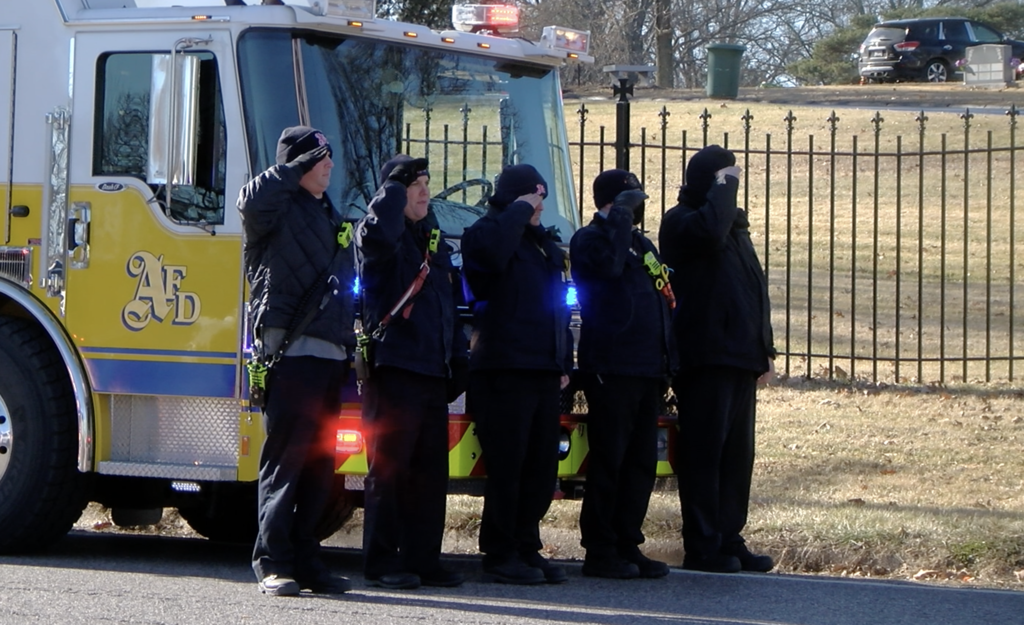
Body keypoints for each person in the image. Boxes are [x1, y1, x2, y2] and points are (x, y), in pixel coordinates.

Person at [239, 126, 355, 596]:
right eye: (319, 159)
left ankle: (307, 560)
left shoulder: (328, 212)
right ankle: (272, 562)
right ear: (298, 165)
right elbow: (250, 202)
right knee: (285, 462)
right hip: (290, 353)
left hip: (330, 355)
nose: (329, 166)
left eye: (329, 157)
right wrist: (292, 166)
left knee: (320, 465)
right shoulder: (276, 208)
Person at [658, 145, 777, 574]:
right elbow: (709, 232)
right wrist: (725, 185)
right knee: (705, 454)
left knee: (736, 456)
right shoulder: (683, 222)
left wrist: (765, 348)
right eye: (726, 179)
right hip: (705, 354)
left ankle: (729, 536)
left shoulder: (734, 229)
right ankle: (704, 543)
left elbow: (753, 288)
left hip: (741, 356)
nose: (733, 187)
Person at [355, 155, 469, 590]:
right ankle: (382, 561)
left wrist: (456, 360)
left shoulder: (430, 242)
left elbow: (447, 308)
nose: (424, 192)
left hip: (431, 370)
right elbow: (377, 235)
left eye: (425, 183)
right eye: (413, 186)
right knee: (388, 471)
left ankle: (424, 559)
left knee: (429, 474)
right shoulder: (382, 237)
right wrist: (392, 188)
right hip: (395, 368)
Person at [461, 164, 573, 585]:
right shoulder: (485, 233)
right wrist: (517, 212)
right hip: (504, 368)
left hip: (543, 367)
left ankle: (527, 545)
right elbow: (489, 260)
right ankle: (500, 551)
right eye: (533, 199)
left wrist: (563, 361)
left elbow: (557, 307)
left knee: (540, 467)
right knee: (508, 466)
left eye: (542, 199)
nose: (540, 207)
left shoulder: (541, 245)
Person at [569, 169, 678, 580]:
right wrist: (618, 218)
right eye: (632, 202)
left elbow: (663, 293)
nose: (639, 209)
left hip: (647, 368)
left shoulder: (640, 244)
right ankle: (600, 548)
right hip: (611, 367)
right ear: (612, 204)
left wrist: (669, 361)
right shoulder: (590, 240)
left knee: (640, 463)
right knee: (610, 460)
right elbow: (610, 269)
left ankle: (627, 542)